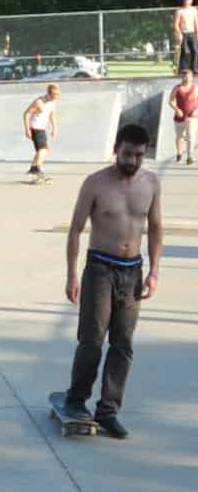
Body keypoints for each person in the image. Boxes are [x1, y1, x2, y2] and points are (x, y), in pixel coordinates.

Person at [59, 124, 162, 439]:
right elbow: (76, 229)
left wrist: (155, 271)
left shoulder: (151, 183)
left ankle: (108, 411)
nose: (133, 161)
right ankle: (77, 400)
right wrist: (72, 274)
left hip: (132, 272)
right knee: (92, 339)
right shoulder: (95, 183)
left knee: (123, 344)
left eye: (139, 155)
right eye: (128, 153)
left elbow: (156, 228)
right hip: (100, 268)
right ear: (116, 148)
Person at [23, 83, 60, 179]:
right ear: (49, 93)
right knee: (43, 149)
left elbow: (52, 114)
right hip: (35, 128)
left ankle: (33, 167)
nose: (56, 97)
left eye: (58, 94)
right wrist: (27, 129)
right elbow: (26, 114)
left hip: (42, 129)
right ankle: (37, 168)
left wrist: (55, 128)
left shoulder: (53, 102)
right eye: (54, 95)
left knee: (42, 150)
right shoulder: (39, 102)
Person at [168, 69, 198, 164]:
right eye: (185, 76)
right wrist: (177, 109)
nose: (187, 78)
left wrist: (196, 111)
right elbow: (171, 101)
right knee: (179, 137)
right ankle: (179, 154)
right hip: (179, 117)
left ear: (192, 77)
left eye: (189, 77)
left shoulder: (195, 88)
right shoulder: (177, 88)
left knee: (191, 136)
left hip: (192, 117)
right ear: (183, 77)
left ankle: (189, 157)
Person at [173, 0, 198, 73]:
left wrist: (197, 33)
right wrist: (179, 34)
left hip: (192, 33)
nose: (188, 1)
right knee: (185, 51)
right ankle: (184, 69)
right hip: (184, 33)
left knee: (195, 50)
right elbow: (176, 24)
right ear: (184, 0)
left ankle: (194, 68)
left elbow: (196, 22)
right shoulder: (179, 11)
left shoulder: (194, 10)